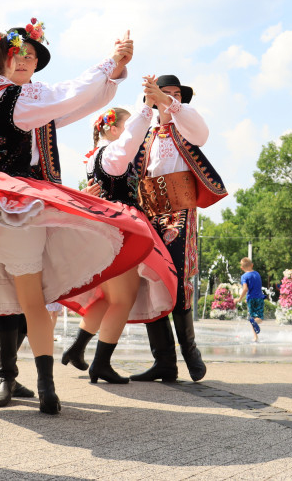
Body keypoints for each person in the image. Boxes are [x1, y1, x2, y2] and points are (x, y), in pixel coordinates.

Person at [0, 22, 158, 414]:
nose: (27, 60)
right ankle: (27, 382)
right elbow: (73, 94)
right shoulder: (28, 100)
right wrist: (111, 62)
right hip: (20, 202)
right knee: (33, 297)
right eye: (20, 53)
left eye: (32, 56)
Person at [59, 104, 177, 383]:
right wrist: (148, 108)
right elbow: (131, 140)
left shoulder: (95, 157)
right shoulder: (113, 154)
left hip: (106, 227)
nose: (131, 137)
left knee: (108, 297)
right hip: (119, 227)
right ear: (112, 129)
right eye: (123, 127)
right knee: (123, 299)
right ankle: (100, 364)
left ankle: (77, 349)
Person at [130, 75, 228, 383]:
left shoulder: (186, 130)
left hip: (179, 212)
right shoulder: (144, 136)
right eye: (163, 93)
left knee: (179, 276)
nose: (171, 99)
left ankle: (190, 351)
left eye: (175, 95)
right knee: (151, 279)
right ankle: (164, 361)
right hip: (150, 212)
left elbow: (202, 132)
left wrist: (168, 101)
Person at [238, 258, 265, 342]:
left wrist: (240, 298)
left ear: (242, 268)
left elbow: (245, 289)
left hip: (251, 299)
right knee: (259, 318)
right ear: (252, 265)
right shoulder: (257, 274)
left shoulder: (244, 276)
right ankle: (255, 337)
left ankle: (255, 337)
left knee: (253, 319)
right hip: (259, 298)